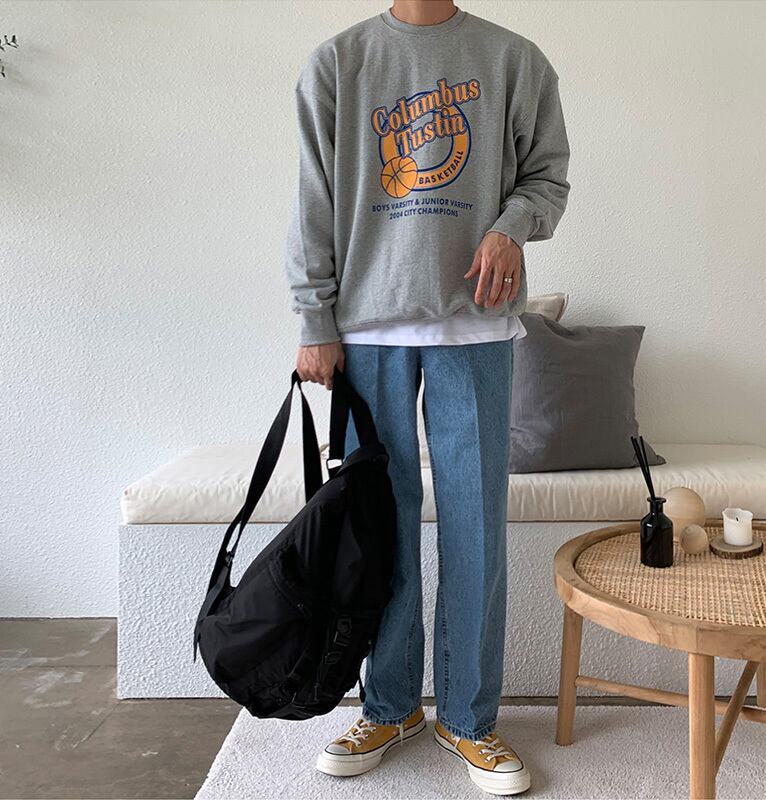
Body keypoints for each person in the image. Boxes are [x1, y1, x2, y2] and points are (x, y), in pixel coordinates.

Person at [284, 0, 569, 794]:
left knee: (476, 528)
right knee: (380, 525)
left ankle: (470, 718)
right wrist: (313, 319)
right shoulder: (337, 63)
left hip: (475, 326)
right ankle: (390, 704)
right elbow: (313, 200)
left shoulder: (512, 59)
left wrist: (511, 225)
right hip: (366, 329)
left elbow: (547, 177)